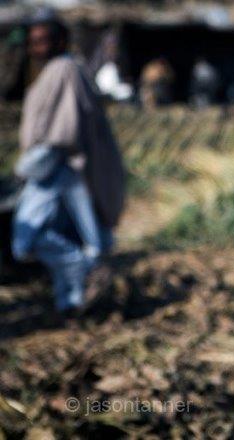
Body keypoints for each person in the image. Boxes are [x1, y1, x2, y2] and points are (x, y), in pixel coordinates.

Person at [12, 12, 125, 315]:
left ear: (60, 40)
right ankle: (70, 304)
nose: (36, 48)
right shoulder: (57, 70)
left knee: (26, 241)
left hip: (57, 170)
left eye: (43, 41)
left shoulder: (63, 70)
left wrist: (28, 167)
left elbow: (62, 134)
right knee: (65, 235)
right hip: (60, 170)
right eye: (33, 42)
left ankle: (86, 267)